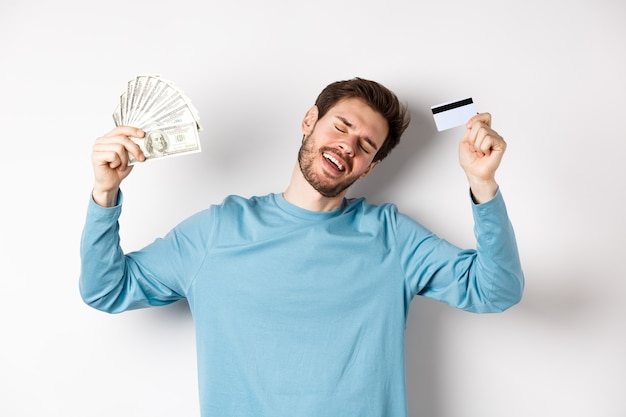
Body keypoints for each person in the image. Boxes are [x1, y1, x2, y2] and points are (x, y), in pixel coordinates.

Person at [80, 77, 524, 417]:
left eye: (365, 145)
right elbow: (106, 289)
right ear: (310, 121)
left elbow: (496, 290)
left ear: (370, 166)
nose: (347, 145)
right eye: (341, 126)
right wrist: (105, 193)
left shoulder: (394, 238)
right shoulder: (218, 231)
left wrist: (481, 184)